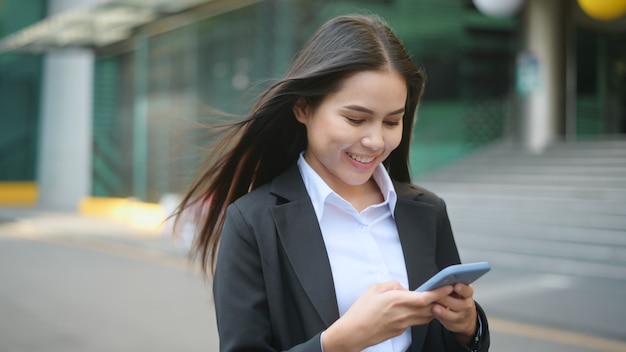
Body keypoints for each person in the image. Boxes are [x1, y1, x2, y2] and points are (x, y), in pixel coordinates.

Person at [175, 13, 490, 352]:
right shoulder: (252, 222)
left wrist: (467, 327)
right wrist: (338, 342)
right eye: (356, 118)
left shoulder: (428, 211)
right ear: (303, 108)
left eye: (391, 121)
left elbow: (446, 342)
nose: (375, 141)